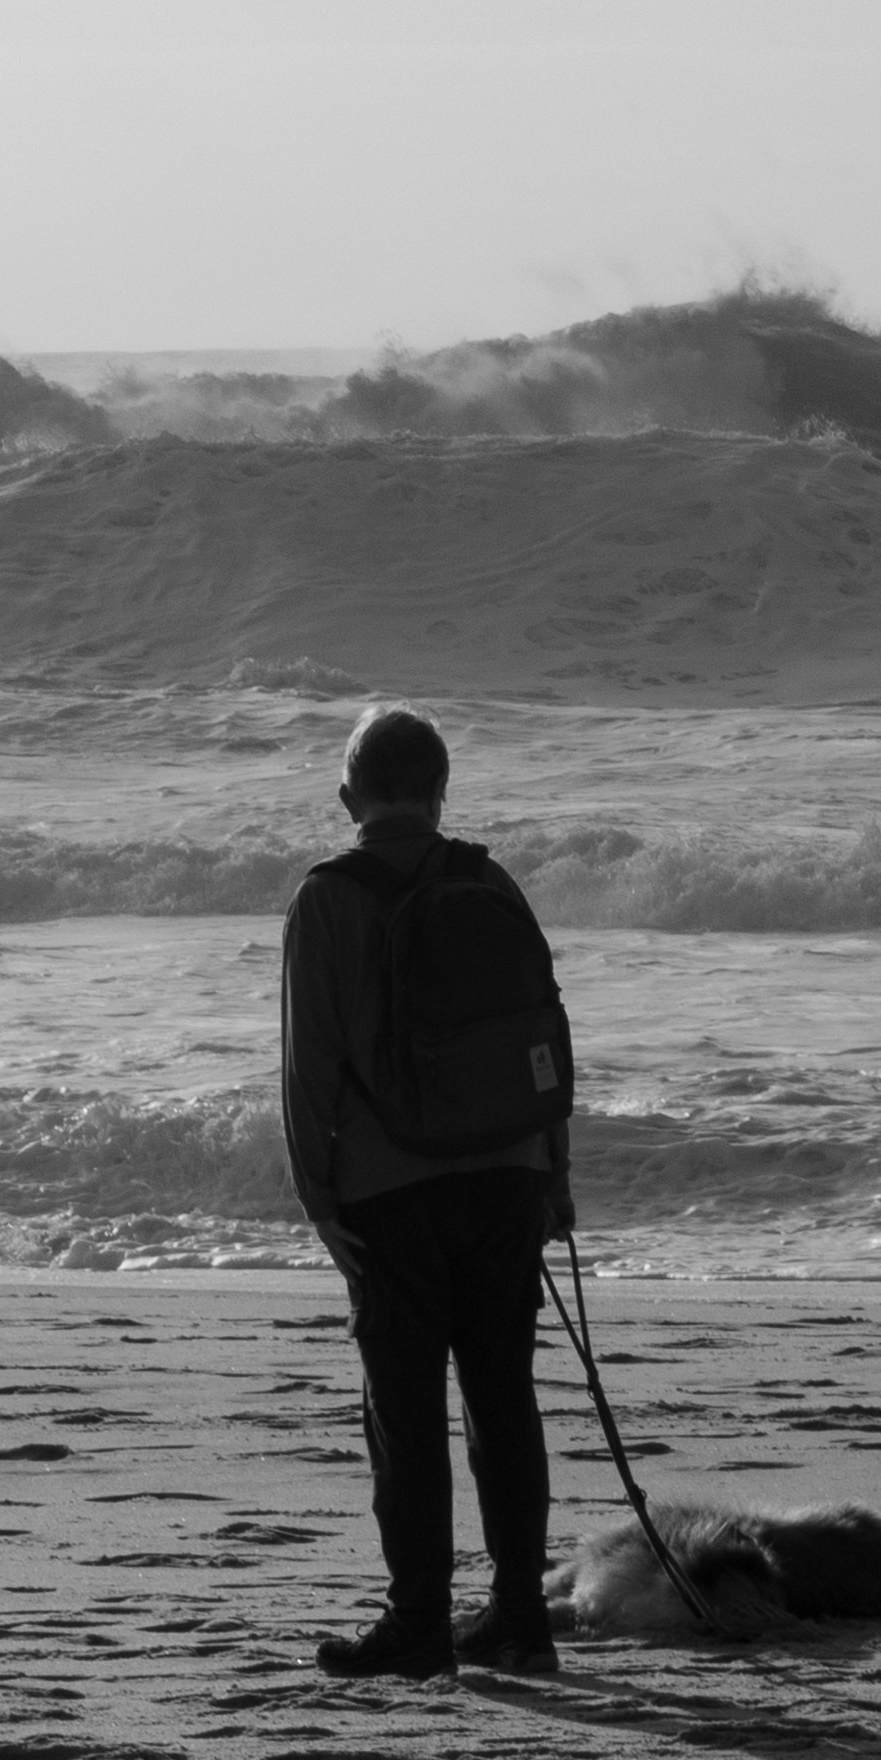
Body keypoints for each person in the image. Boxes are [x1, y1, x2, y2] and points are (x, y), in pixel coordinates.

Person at [281, 702, 573, 1681]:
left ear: (346, 795)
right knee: (504, 1395)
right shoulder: (488, 880)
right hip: (504, 1174)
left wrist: (318, 1196)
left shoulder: (327, 898)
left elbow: (309, 1062)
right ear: (441, 789)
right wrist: (551, 1174)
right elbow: (539, 1033)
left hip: (387, 1187)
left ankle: (417, 1622)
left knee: (403, 1408)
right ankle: (521, 1613)